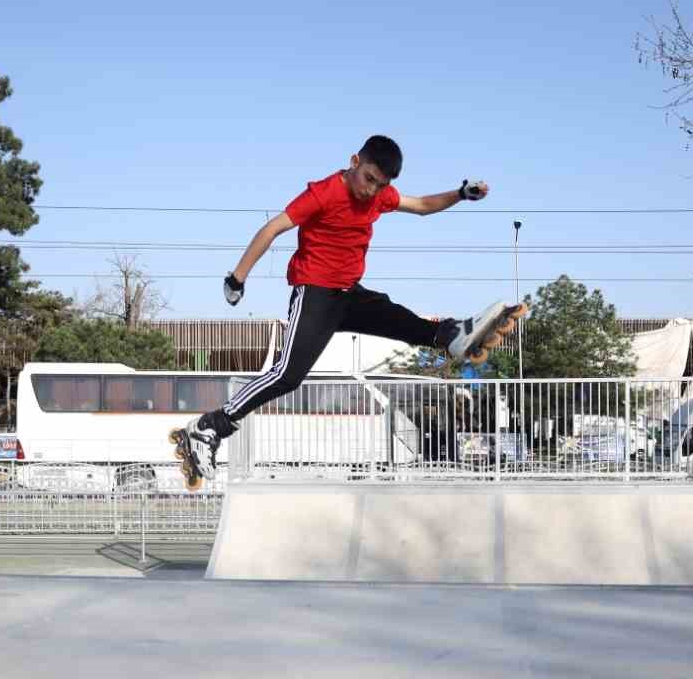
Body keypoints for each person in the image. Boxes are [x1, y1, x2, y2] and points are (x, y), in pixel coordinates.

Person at [175, 135, 520, 478]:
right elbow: (272, 229)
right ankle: (208, 427)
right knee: (287, 375)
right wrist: (237, 278)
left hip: (349, 295)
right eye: (369, 179)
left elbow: (422, 206)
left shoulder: (381, 195)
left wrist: (460, 195)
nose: (371, 190)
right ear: (354, 161)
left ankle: (451, 334)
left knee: (397, 318)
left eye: (380, 184)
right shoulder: (323, 193)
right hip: (315, 295)